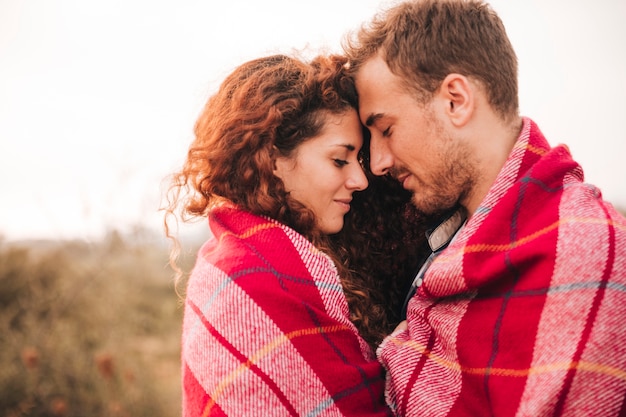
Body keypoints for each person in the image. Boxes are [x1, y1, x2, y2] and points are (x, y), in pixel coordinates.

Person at [342, 0, 626, 416]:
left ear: (456, 100)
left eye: (386, 129)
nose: (380, 161)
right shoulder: (433, 240)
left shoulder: (583, 249)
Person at [163, 53, 431, 416]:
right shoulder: (253, 277)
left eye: (359, 161)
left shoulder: (238, 255)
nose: (360, 180)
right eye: (339, 160)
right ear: (272, 158)